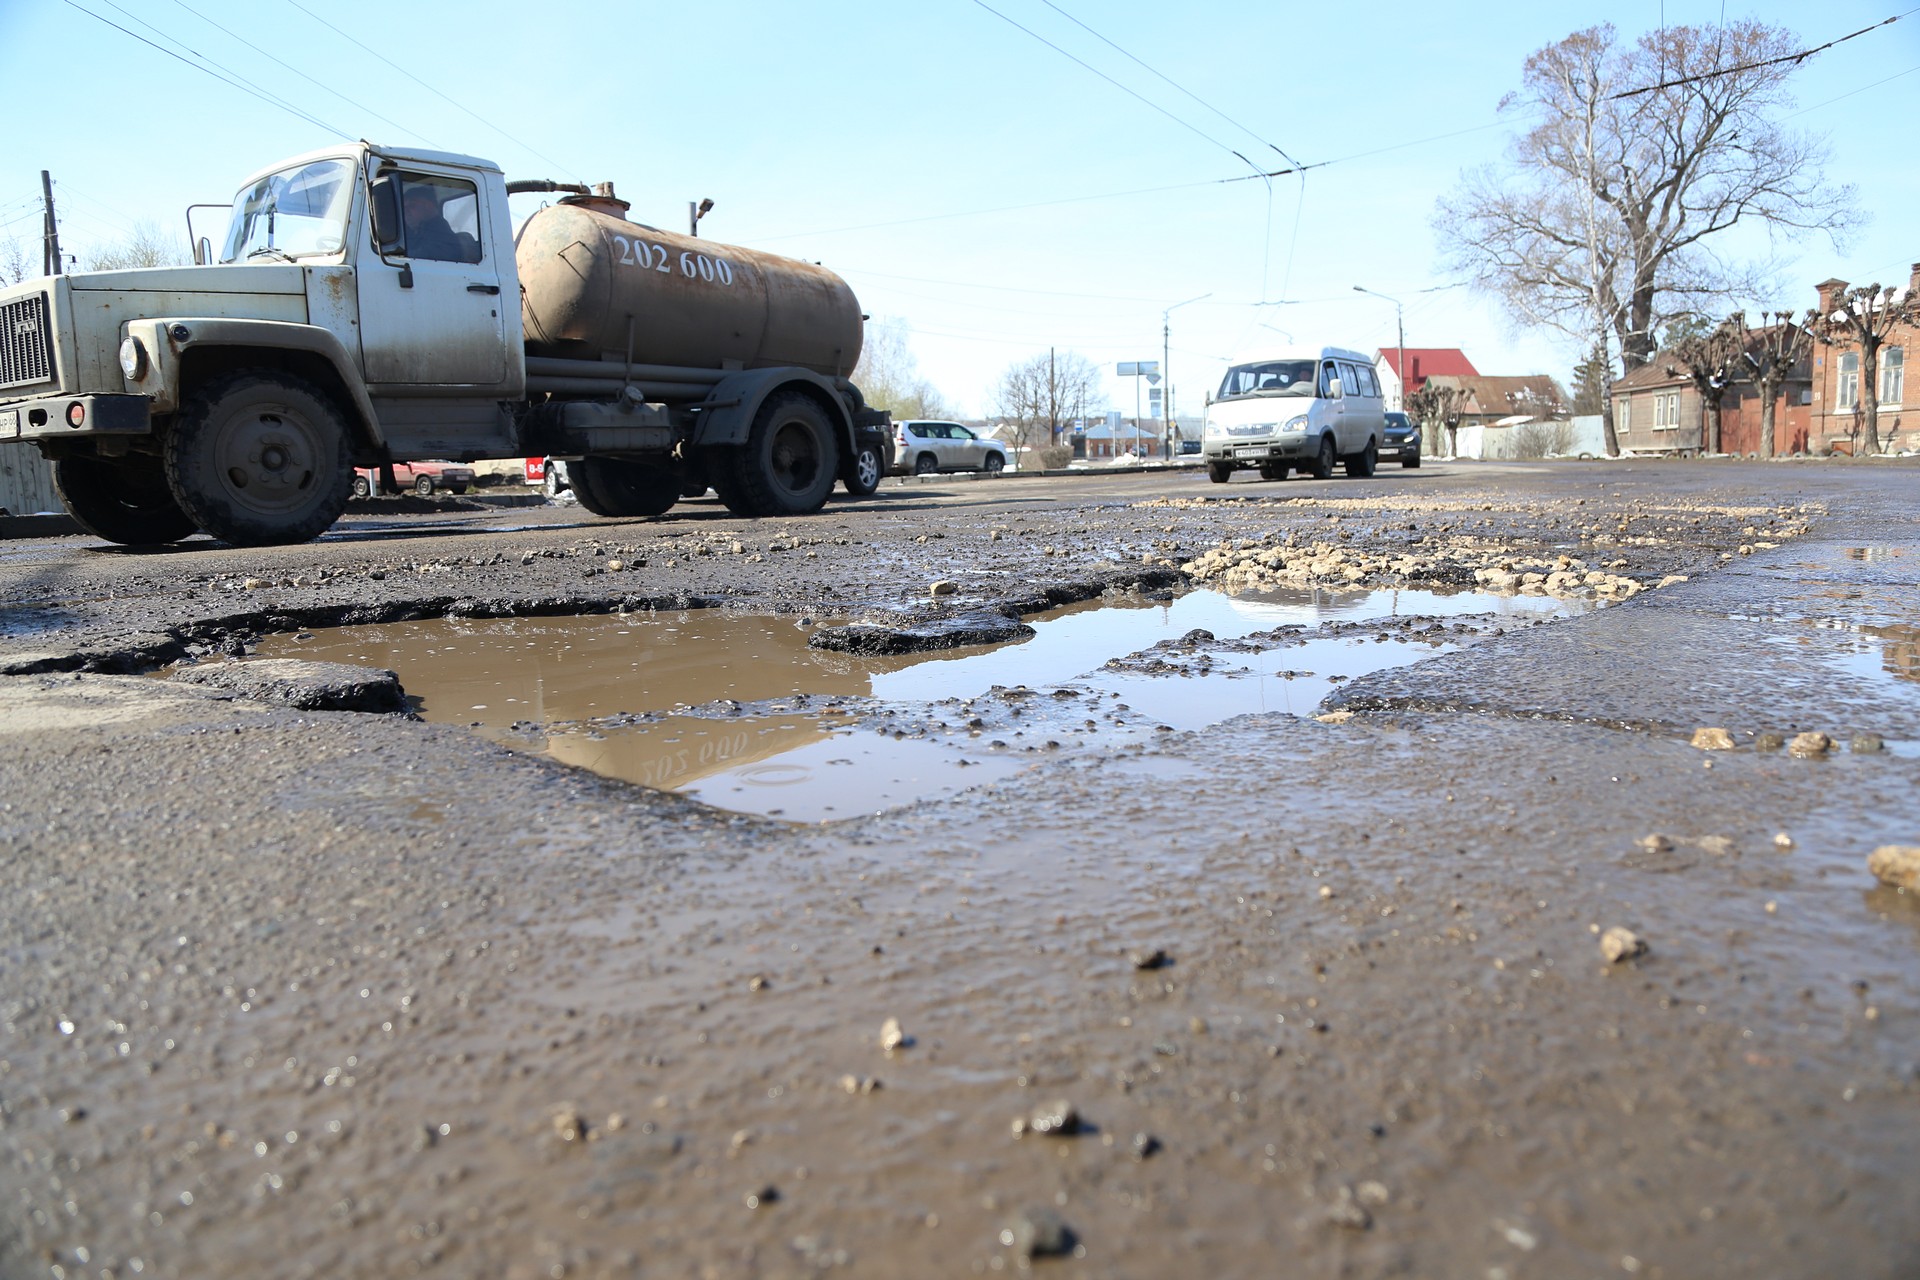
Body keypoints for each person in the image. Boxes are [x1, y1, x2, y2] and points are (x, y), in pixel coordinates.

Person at [403, 186, 466, 262]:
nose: (406, 212)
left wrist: (402, 256)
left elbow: (436, 254)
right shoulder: (412, 232)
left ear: (429, 206)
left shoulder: (439, 230)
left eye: (412, 205)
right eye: (404, 208)